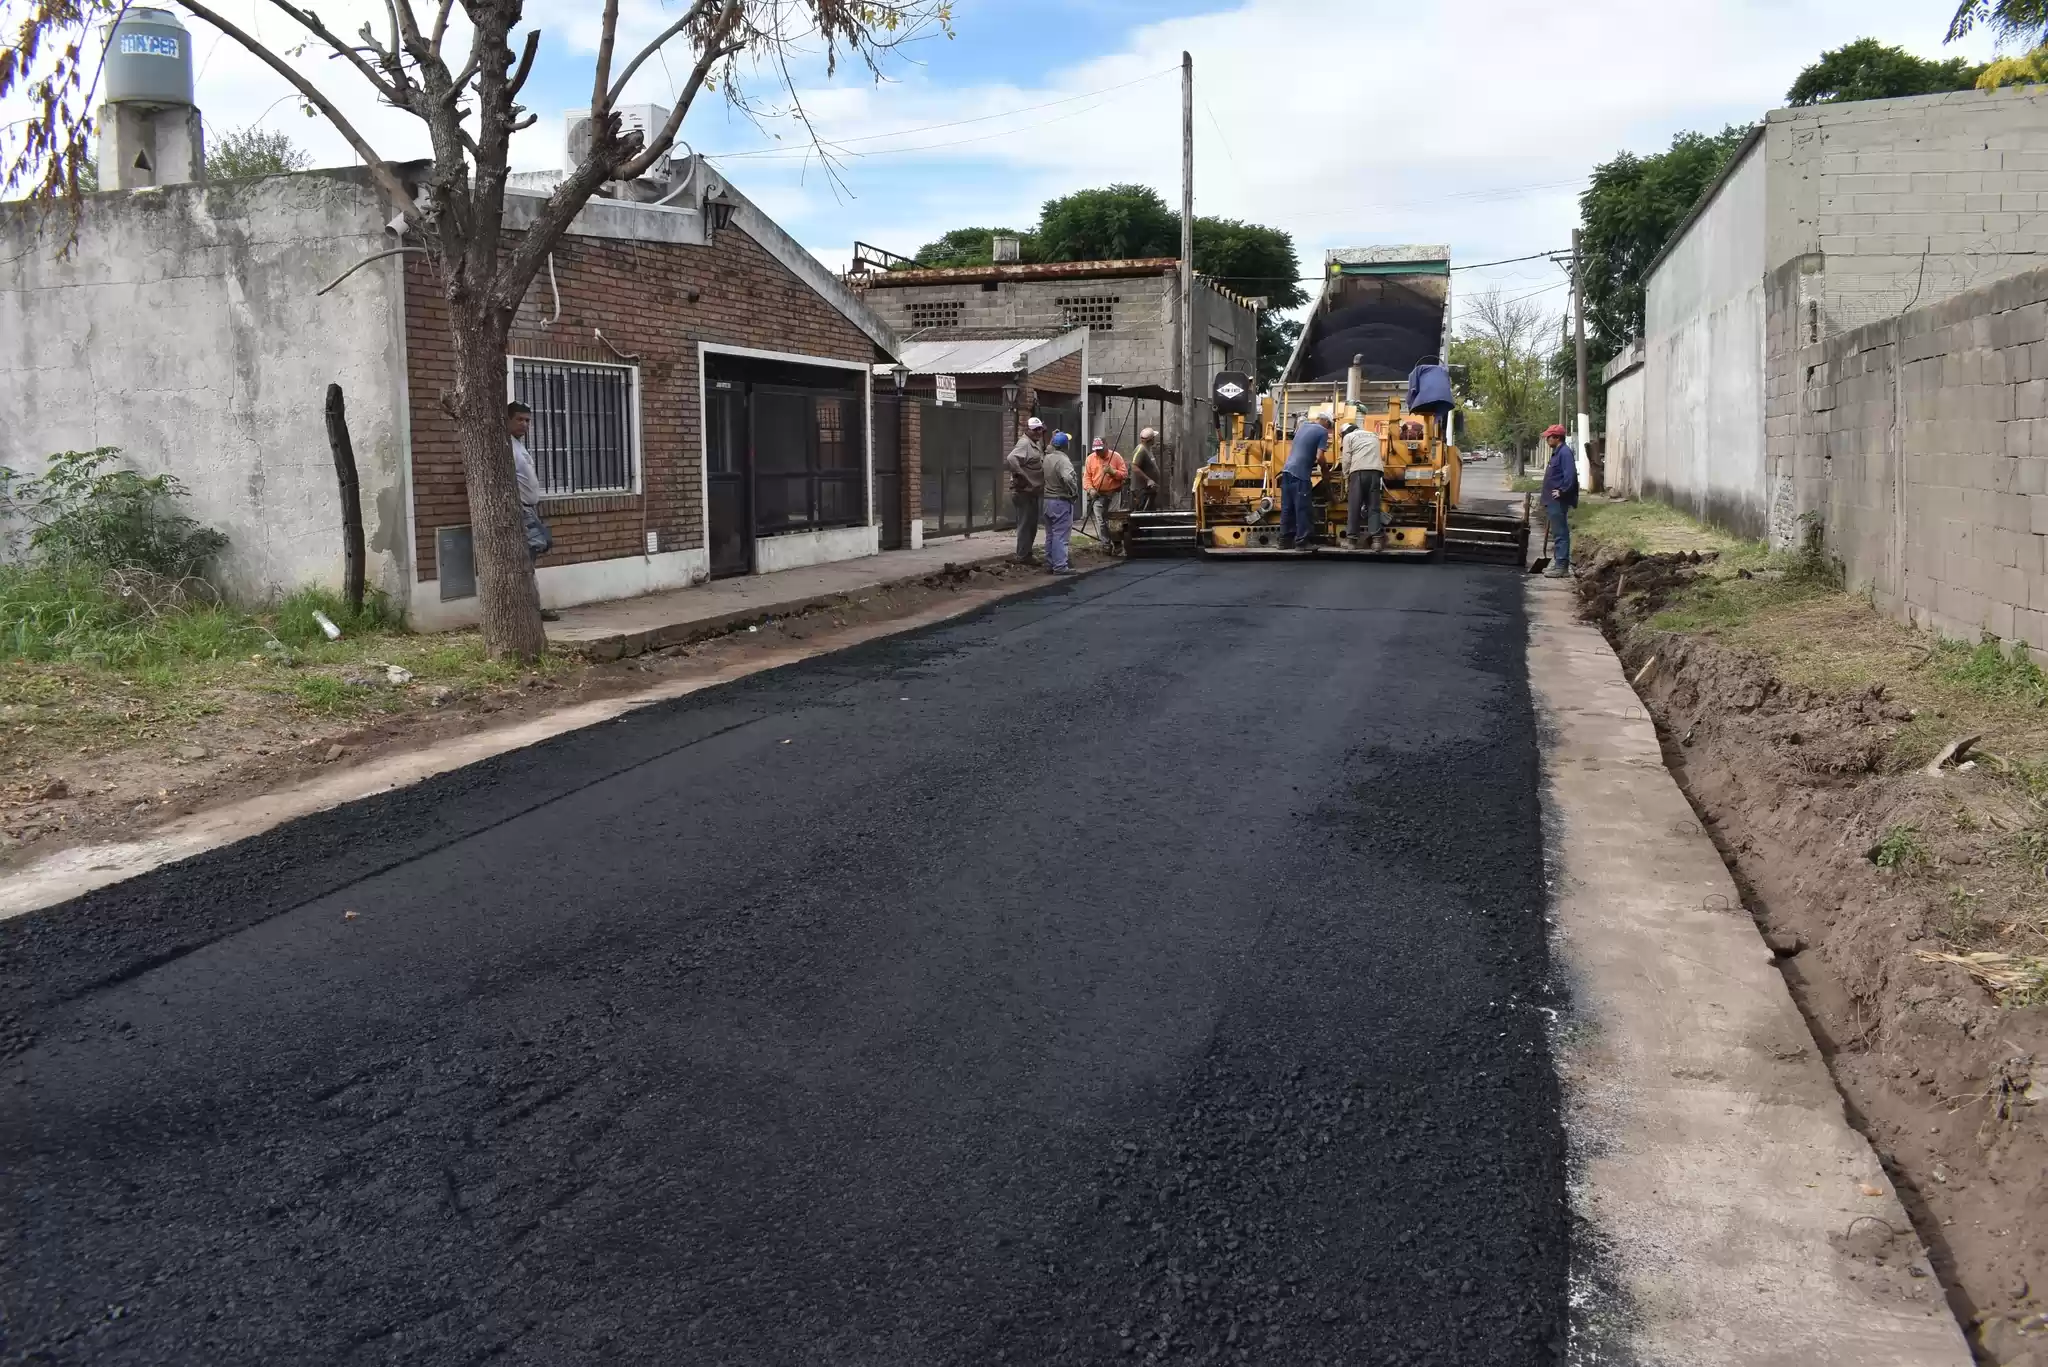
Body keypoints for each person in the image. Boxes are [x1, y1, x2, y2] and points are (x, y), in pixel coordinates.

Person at [508, 401, 559, 622]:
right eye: (519, 419)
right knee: (529, 554)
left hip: (530, 507)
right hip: (520, 509)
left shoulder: (519, 445)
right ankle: (528, 608)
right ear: (507, 419)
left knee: (532, 555)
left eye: (527, 420)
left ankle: (532, 606)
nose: (524, 424)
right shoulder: (506, 445)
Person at [1281, 411, 1333, 549]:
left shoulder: (1302, 427)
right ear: (1327, 422)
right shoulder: (1322, 432)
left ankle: (1284, 541)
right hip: (1300, 474)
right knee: (1303, 508)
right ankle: (1302, 542)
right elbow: (1320, 456)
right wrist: (1325, 470)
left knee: (1287, 508)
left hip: (1286, 471)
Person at [1003, 416, 1049, 564]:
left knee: (1031, 525)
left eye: (1040, 429)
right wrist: (1023, 476)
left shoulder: (1035, 443)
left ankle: (1027, 554)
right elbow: (1011, 459)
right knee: (1025, 524)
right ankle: (1022, 556)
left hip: (1032, 492)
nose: (1038, 432)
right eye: (1035, 429)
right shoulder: (1024, 444)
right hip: (1023, 492)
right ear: (1027, 430)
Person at [1540, 423, 1580, 577]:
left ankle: (1561, 567)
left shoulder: (1565, 453)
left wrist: (1562, 491)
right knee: (1557, 533)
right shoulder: (1558, 452)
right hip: (1552, 500)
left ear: (1556, 438)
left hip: (1558, 500)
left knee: (1560, 533)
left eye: (1548, 437)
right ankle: (1558, 564)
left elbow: (1570, 475)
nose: (1547, 440)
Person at [1339, 420, 1385, 549]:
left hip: (1358, 472)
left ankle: (1351, 541)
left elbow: (1346, 458)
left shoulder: (1348, 437)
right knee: (1373, 506)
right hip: (1376, 472)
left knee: (1354, 506)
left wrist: (1346, 475)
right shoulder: (1374, 435)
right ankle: (1376, 541)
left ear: (1344, 433)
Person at [1042, 431, 1081, 574]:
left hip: (1047, 501)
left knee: (1050, 535)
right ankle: (1060, 566)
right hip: (1061, 501)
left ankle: (1050, 563)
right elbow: (1068, 478)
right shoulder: (1063, 461)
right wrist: (1074, 492)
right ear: (1067, 445)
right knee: (1060, 535)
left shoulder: (1047, 458)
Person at [1081, 436, 1127, 543]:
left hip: (1113, 493)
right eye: (1096, 449)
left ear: (1106, 445)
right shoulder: (1090, 459)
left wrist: (1113, 472)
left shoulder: (1116, 457)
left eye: (1100, 449)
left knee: (1113, 521)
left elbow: (1124, 475)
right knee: (1101, 521)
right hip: (1098, 495)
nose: (1098, 452)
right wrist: (1090, 490)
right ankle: (1105, 543)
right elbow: (1087, 478)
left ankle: (1117, 543)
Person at [1129, 428, 1162, 513]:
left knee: (1149, 513)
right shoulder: (1140, 450)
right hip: (1141, 490)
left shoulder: (1148, 449)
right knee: (1142, 513)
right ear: (1151, 440)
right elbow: (1134, 466)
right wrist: (1148, 480)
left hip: (1148, 490)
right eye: (1154, 437)